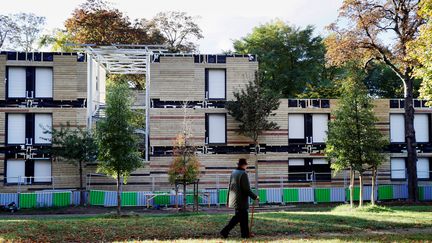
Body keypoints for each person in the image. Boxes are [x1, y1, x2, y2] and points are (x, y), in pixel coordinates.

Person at [220, 158, 259, 239]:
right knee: (238, 217)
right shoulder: (243, 174)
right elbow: (246, 189)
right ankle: (225, 231)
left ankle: (245, 234)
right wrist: (255, 197)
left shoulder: (234, 172)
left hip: (234, 199)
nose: (246, 166)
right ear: (244, 165)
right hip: (240, 200)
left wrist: (227, 200)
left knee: (243, 218)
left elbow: (229, 186)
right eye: (246, 165)